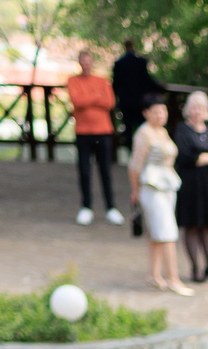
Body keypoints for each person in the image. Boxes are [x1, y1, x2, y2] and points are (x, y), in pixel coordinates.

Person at [128, 94, 191, 295]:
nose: (161, 115)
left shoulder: (162, 131)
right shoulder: (143, 134)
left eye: (163, 110)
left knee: (157, 233)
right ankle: (173, 277)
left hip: (167, 184)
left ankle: (154, 274)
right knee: (166, 231)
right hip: (151, 186)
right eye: (156, 111)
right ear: (146, 113)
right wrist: (135, 191)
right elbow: (135, 165)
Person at [173, 90, 208, 284]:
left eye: (201, 108)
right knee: (192, 226)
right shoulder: (182, 129)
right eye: (194, 107)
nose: (197, 111)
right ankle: (195, 268)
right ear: (188, 109)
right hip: (189, 183)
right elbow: (184, 155)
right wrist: (205, 158)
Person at [67, 50, 121, 226]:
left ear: (92, 63)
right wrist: (96, 97)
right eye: (84, 61)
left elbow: (109, 102)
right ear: (80, 63)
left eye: (89, 61)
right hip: (83, 132)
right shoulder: (73, 81)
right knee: (84, 171)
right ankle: (86, 207)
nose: (87, 65)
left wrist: (88, 99)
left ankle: (111, 207)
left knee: (105, 171)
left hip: (103, 131)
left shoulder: (102, 81)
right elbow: (77, 101)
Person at [110, 43, 157, 134]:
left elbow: (115, 84)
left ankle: (129, 146)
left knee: (128, 128)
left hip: (126, 102)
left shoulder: (119, 64)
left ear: (125, 47)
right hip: (140, 101)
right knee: (142, 125)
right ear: (133, 47)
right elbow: (148, 80)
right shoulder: (140, 62)